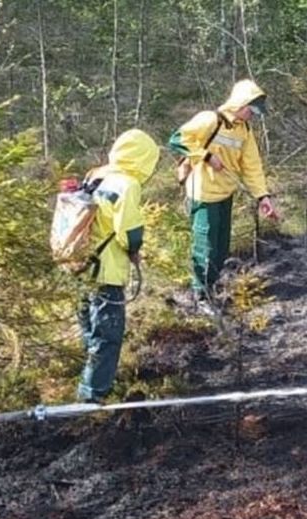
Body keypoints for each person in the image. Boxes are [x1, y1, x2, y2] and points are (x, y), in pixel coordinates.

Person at [168, 79, 279, 314]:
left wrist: (263, 197)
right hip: (203, 195)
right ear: (240, 103)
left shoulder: (244, 130)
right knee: (206, 248)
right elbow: (177, 139)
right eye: (251, 110)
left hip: (225, 194)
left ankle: (210, 286)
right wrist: (207, 157)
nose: (252, 116)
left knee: (220, 248)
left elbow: (251, 166)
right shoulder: (210, 120)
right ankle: (201, 296)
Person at [77, 128, 160, 403]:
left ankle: (89, 380)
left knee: (90, 328)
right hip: (107, 270)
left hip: (79, 265)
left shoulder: (95, 174)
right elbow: (128, 230)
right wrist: (135, 249)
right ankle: (93, 395)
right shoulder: (127, 184)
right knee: (107, 334)